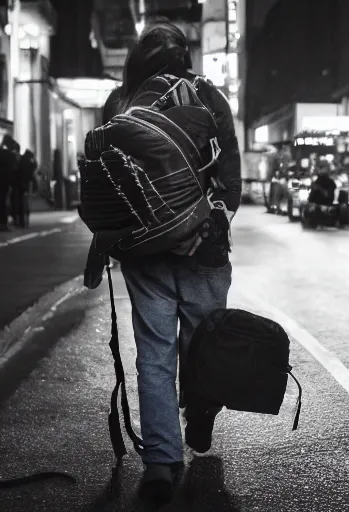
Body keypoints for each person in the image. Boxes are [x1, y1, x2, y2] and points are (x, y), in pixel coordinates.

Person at [93, 23, 241, 504]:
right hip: (205, 251)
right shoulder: (208, 97)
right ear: (186, 58)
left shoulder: (119, 103)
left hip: (144, 254)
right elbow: (231, 186)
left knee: (155, 356)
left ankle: (160, 462)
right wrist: (200, 223)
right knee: (205, 347)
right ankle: (200, 410)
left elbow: (103, 183)